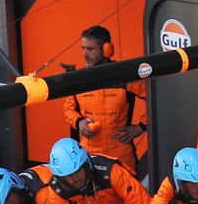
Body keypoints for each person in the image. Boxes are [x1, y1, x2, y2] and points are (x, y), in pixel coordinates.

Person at [62, 26, 147, 172]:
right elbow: (68, 109)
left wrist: (140, 127)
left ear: (106, 49)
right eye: (83, 48)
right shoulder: (78, 79)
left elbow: (156, 101)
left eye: (90, 49)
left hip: (121, 155)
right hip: (89, 154)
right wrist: (79, 122)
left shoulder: (124, 75)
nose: (85, 54)